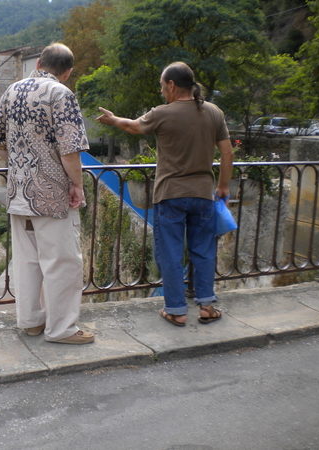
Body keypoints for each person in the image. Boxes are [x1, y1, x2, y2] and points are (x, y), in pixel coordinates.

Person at [96, 61, 234, 327]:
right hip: (204, 194)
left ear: (172, 85)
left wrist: (113, 119)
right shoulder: (214, 112)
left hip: (170, 194)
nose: (162, 92)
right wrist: (223, 187)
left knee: (170, 253)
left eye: (162, 86)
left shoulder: (162, 113)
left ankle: (176, 310)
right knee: (204, 251)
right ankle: (206, 306)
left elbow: (133, 126)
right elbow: (227, 153)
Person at [0, 43, 94, 344]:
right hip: (52, 195)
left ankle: (31, 322)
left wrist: (19, 164)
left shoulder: (12, 92)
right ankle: (61, 330)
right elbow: (70, 151)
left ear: (38, 64)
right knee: (63, 263)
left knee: (27, 261)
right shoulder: (61, 94)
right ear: (68, 72)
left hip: (19, 193)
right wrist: (78, 185)